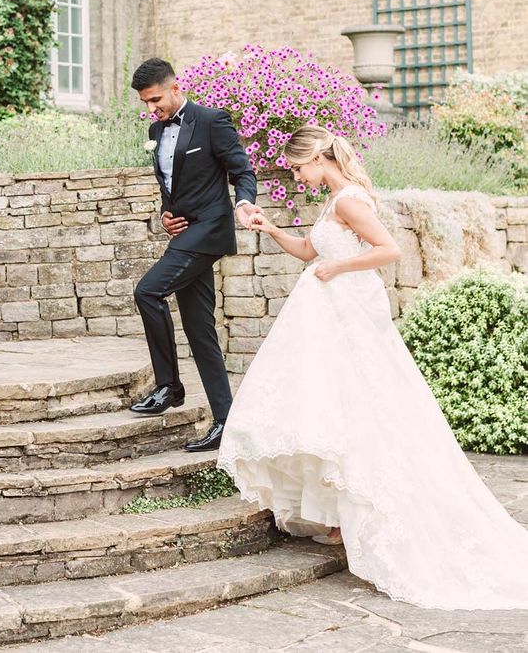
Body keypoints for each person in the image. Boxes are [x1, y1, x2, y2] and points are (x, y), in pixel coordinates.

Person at [218, 124, 528, 608]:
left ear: (319, 159)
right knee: (339, 403)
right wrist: (273, 229)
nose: (297, 176)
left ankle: (367, 505)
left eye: (298, 167)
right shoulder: (334, 199)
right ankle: (342, 509)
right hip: (328, 310)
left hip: (346, 311)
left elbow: (389, 250)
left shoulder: (348, 200)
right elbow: (309, 252)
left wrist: (337, 269)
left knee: (363, 403)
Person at [130, 58, 259, 451]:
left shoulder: (211, 121)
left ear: (174, 86)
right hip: (184, 234)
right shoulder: (156, 129)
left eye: (155, 100)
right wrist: (166, 215)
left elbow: (243, 172)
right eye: (146, 103)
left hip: (210, 230)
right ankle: (225, 421)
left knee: (147, 291)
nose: (152, 110)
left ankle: (169, 385)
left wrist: (244, 204)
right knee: (200, 329)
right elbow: (171, 183)